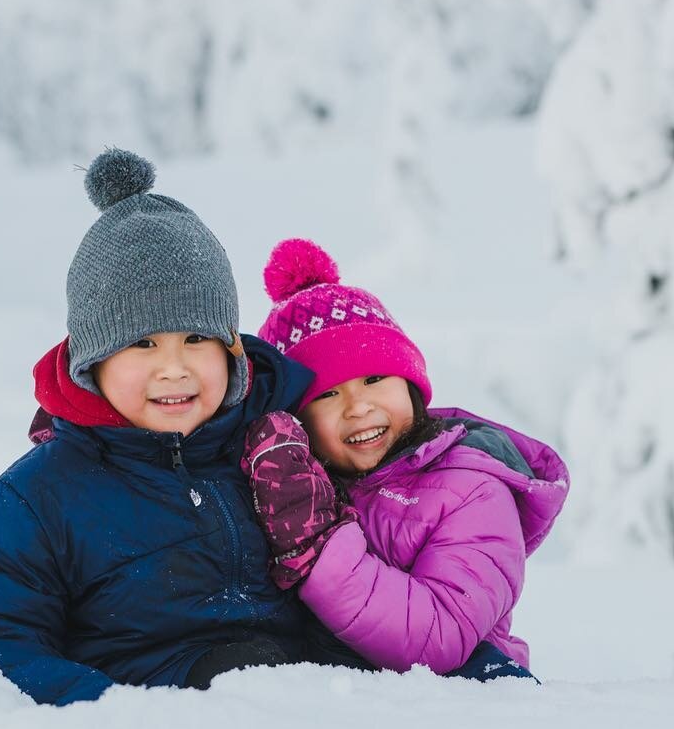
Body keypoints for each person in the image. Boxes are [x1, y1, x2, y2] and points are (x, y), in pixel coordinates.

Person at [0, 149, 314, 705]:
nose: (174, 367)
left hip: (311, 718)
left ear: (231, 351)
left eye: (197, 339)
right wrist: (113, 714)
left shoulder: (282, 447)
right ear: (92, 364)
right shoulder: (42, 496)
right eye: (143, 343)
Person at [239, 238, 570, 680]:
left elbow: (440, 637)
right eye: (328, 395)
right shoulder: (291, 484)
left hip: (457, 691)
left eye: (374, 379)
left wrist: (317, 549)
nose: (358, 407)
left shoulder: (472, 488)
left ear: (411, 385)